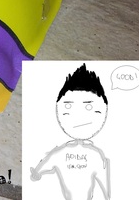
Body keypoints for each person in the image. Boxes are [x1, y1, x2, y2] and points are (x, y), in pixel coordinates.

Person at [30, 64, 110, 199]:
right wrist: (36, 174)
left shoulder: (96, 155)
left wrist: (36, 174)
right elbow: (38, 172)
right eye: (68, 106)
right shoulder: (60, 153)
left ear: (105, 111)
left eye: (89, 107)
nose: (79, 118)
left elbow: (105, 188)